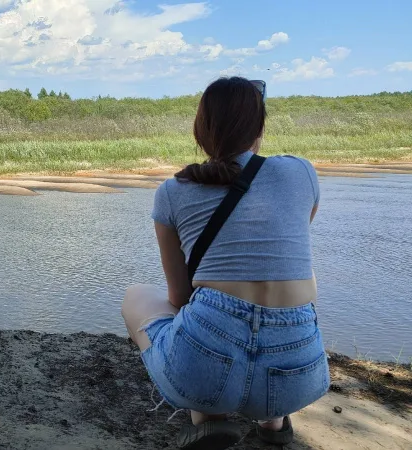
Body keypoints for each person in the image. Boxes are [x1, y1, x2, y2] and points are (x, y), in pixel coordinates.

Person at [121, 76, 329, 449]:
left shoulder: (172, 192)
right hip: (299, 377)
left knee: (136, 296)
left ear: (200, 131)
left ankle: (207, 419)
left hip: (205, 373)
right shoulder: (302, 172)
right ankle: (273, 421)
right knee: (285, 296)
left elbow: (179, 297)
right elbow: (291, 247)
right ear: (260, 129)